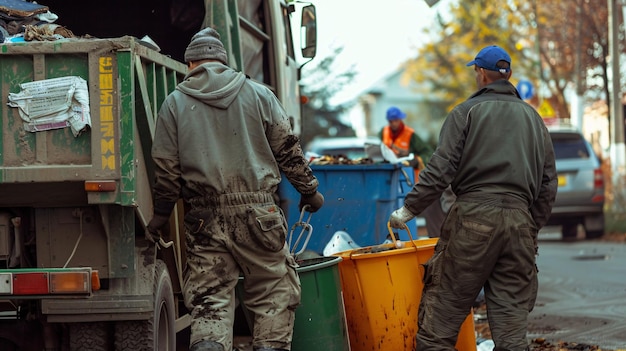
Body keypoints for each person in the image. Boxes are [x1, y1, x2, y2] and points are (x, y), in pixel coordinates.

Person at [145, 27, 324, 351]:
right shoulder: (259, 94)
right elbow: (287, 149)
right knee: (273, 289)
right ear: (223, 63)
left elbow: (167, 172)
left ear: (191, 64)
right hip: (260, 214)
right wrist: (309, 191)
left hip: (204, 217)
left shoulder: (174, 103)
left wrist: (159, 216)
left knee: (210, 299)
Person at [389, 45, 558, 351]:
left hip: (473, 220)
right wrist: (531, 225)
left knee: (438, 328)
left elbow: (440, 170)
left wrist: (407, 210)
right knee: (511, 335)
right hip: (520, 223)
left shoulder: (466, 113)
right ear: (507, 76)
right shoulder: (534, 120)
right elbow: (548, 183)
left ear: (481, 73)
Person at [379, 106, 453, 237]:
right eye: (391, 121)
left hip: (409, 178)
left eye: (396, 120)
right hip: (390, 178)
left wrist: (414, 159)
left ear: (400, 120)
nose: (394, 123)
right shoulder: (383, 133)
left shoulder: (410, 135)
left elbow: (427, 153)